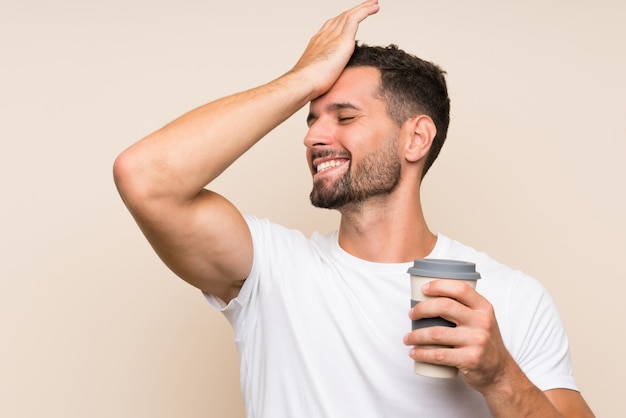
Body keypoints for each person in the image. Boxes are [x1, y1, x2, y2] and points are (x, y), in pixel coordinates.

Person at [113, 1, 595, 416]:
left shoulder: (511, 297)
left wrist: (499, 375)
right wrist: (302, 78)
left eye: (344, 117)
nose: (313, 136)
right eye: (310, 117)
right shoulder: (270, 272)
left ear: (416, 138)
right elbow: (145, 176)